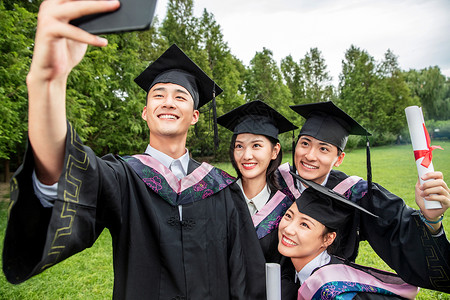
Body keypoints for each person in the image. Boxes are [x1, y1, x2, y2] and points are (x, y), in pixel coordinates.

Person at [2, 1, 266, 299]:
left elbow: (246, 273)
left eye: (180, 96)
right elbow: (62, 171)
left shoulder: (222, 187)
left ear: (194, 116)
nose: (168, 101)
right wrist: (47, 83)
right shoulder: (123, 177)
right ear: (145, 112)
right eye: (158, 94)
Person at [275, 100, 450, 293]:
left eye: (323, 148)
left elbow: (396, 229)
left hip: (330, 291)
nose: (309, 155)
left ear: (339, 159)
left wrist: (431, 219)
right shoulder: (276, 183)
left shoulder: (355, 193)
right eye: (305, 143)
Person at [278, 175, 420, 300]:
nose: (288, 229)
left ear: (328, 239)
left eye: (304, 225)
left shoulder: (335, 292)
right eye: (288, 216)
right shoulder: (302, 272)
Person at [217, 100, 297, 263]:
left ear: (275, 151)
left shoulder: (285, 209)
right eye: (239, 146)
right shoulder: (218, 199)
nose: (246, 155)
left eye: (256, 146)